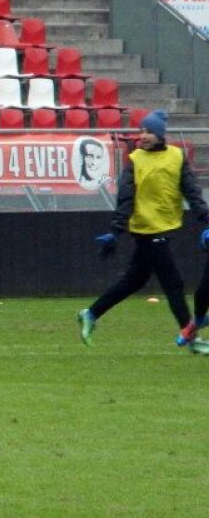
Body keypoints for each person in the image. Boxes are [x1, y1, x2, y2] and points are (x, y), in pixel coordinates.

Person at [78, 110, 209, 347]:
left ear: (160, 134)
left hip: (163, 228)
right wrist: (116, 231)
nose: (143, 135)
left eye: (148, 131)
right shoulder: (135, 159)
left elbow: (191, 192)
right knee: (173, 283)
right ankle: (191, 338)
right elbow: (126, 199)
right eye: (142, 130)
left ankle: (91, 313)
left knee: (134, 280)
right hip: (147, 229)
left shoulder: (176, 156)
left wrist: (206, 218)